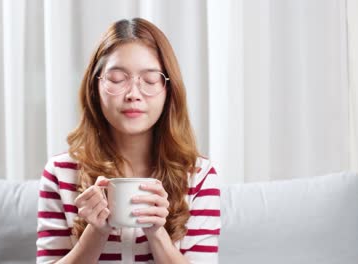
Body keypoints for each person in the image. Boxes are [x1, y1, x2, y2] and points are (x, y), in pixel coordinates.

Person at [36, 17, 221, 264]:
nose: (133, 94)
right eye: (116, 79)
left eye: (151, 80)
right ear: (95, 87)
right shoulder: (61, 173)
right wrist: (96, 232)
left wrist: (157, 233)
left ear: (169, 89)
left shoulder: (198, 175)